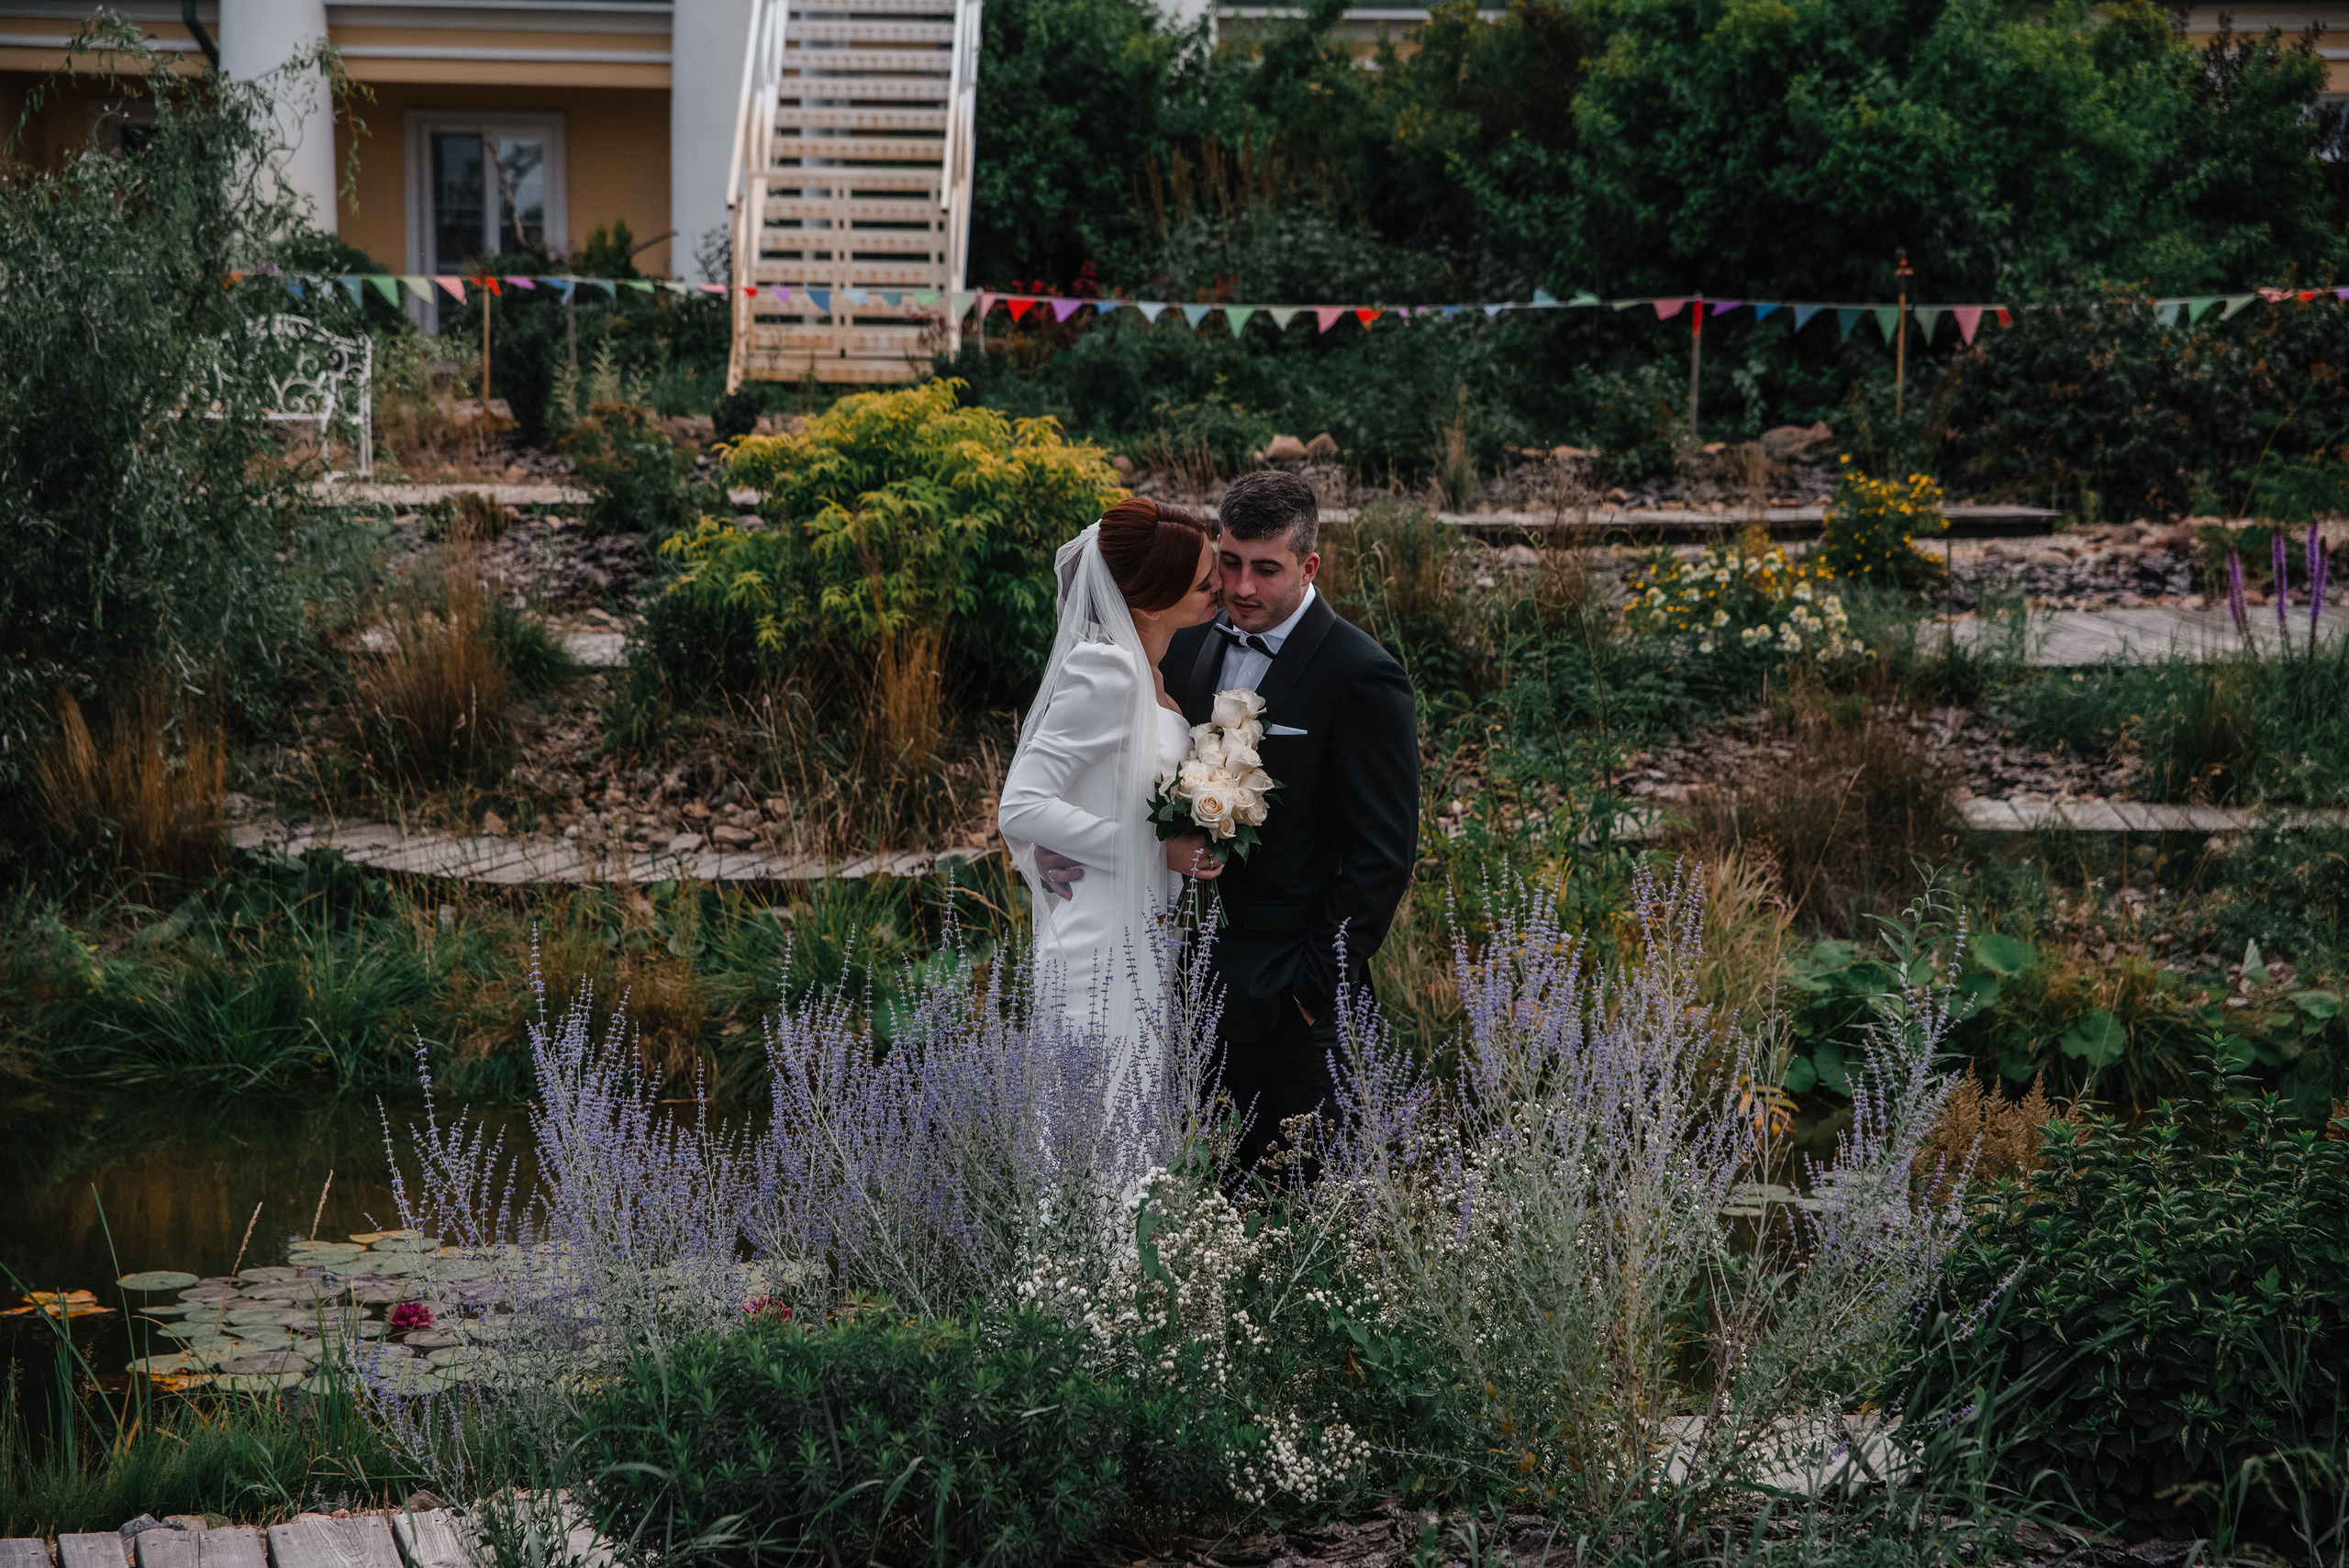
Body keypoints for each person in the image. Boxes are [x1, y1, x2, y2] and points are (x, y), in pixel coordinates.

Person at [1033, 471, 1419, 1170]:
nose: (1241, 588)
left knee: (1297, 1216)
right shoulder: (1185, 643)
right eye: (1231, 563)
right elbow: (1114, 767)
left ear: (1309, 567)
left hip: (1289, 1003)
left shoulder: (1362, 676)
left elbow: (1381, 859)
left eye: (1266, 569)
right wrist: (1049, 847)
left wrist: (1306, 992)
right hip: (1175, 984)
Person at [998, 498, 1226, 1124]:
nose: (1220, 586)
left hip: (1145, 940)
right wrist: (1156, 850)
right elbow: (1021, 803)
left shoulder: (1151, 669)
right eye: (1205, 578)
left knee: (1129, 1150)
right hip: (1099, 946)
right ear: (1151, 601)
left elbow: (1099, 786)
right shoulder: (1107, 670)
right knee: (1094, 1152)